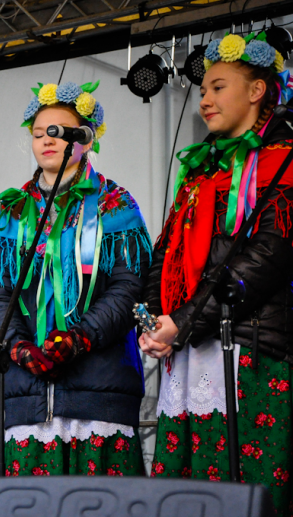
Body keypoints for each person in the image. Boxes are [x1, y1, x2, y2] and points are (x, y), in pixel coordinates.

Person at [140, 31, 293, 513]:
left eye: (217, 87)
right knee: (189, 495)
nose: (204, 99)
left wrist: (182, 322)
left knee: (248, 491)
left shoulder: (283, 161)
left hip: (250, 349)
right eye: (202, 90)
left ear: (256, 91)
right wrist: (155, 321)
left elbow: (266, 258)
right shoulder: (201, 169)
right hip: (190, 348)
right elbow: (165, 251)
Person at [0, 81, 152, 477]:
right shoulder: (13, 210)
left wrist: (79, 338)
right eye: (39, 133)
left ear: (85, 138)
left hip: (98, 393)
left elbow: (130, 286)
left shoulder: (115, 203)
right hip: (28, 397)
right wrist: (19, 346)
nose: (46, 140)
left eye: (58, 131)